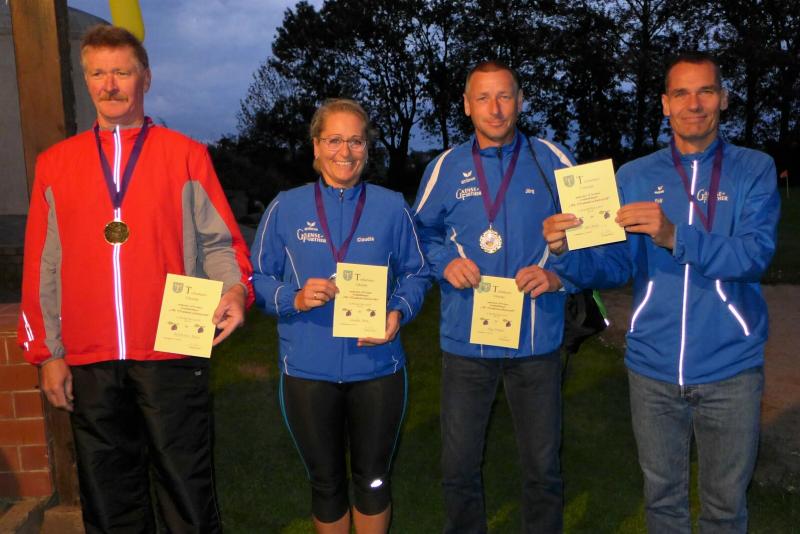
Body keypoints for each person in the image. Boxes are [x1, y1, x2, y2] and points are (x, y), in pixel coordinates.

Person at [18, 25, 253, 533]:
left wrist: (235, 290)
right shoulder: (55, 165)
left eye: (121, 72)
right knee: (109, 496)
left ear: (145, 77)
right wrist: (49, 353)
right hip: (90, 357)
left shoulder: (185, 155)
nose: (109, 85)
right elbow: (42, 267)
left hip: (173, 350)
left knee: (187, 489)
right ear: (86, 79)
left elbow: (220, 243)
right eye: (98, 73)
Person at [545, 51, 780, 532]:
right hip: (651, 368)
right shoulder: (634, 176)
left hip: (731, 368)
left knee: (725, 509)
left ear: (723, 99)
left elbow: (754, 256)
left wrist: (676, 236)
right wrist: (566, 251)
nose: (694, 104)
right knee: (663, 504)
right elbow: (614, 266)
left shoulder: (753, 169)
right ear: (665, 104)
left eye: (706, 91)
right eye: (681, 93)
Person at [412, 60, 584, 533]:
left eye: (505, 96)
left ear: (520, 101)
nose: (495, 108)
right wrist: (444, 262)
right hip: (466, 341)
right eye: (483, 97)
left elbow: (597, 236)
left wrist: (558, 276)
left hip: (537, 340)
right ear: (467, 105)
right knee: (458, 466)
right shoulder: (445, 167)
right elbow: (418, 234)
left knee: (543, 468)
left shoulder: (553, 159)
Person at [251, 98, 429, 534]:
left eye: (355, 141)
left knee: (373, 480)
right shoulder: (286, 207)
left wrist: (397, 312)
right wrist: (293, 297)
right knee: (326, 483)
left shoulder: (392, 206)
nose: (344, 152)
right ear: (316, 146)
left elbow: (418, 272)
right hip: (307, 369)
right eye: (334, 140)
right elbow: (257, 277)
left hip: (378, 367)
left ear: (367, 148)